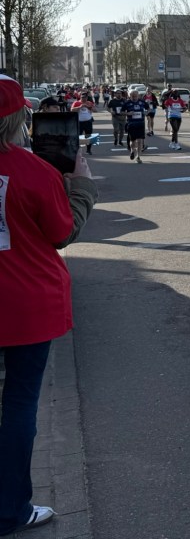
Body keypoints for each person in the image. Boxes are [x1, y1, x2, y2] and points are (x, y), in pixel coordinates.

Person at [0, 74, 98, 536]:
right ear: (19, 118)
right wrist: (81, 188)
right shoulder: (36, 171)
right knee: (20, 405)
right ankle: (11, 509)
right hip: (26, 303)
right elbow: (61, 233)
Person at [122, 89, 148, 163]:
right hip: (131, 124)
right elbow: (121, 112)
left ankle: (138, 157)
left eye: (135, 96)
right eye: (132, 96)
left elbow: (148, 108)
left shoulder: (142, 102)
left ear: (138, 95)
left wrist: (146, 112)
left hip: (140, 124)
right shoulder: (127, 103)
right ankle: (132, 151)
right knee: (132, 141)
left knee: (140, 141)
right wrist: (128, 113)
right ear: (130, 96)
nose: (134, 97)